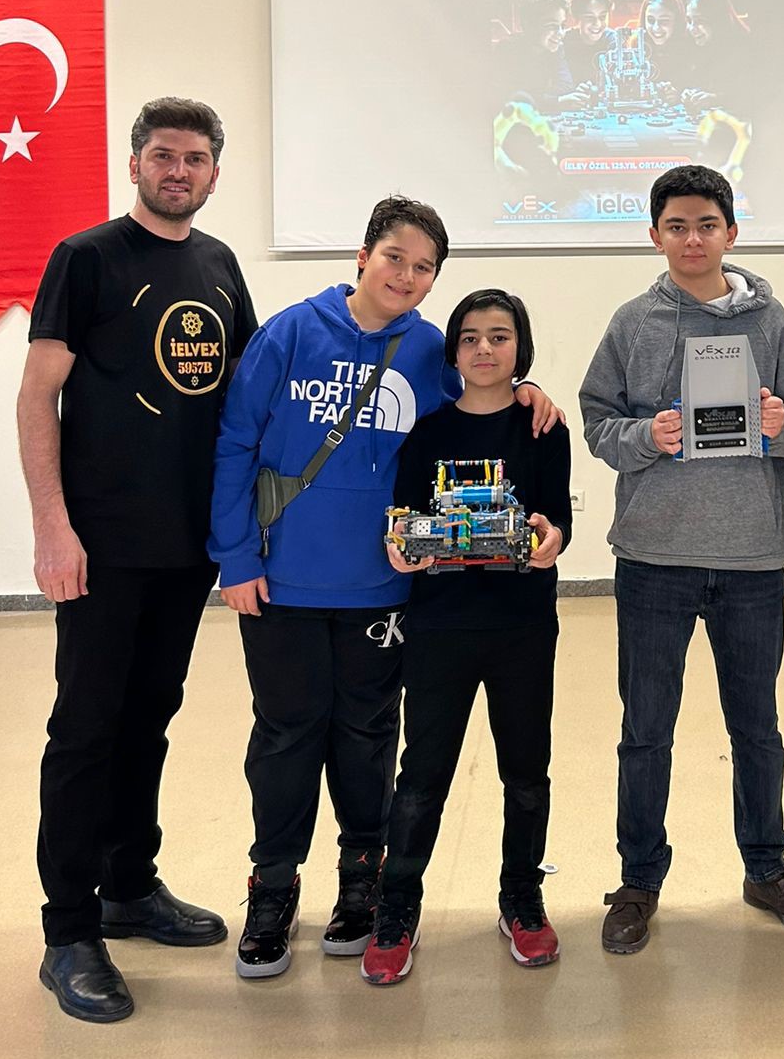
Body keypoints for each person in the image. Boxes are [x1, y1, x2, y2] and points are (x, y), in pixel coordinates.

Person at [207, 199, 561, 981]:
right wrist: (235, 559)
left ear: (434, 280)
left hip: (384, 588)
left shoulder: (429, 348)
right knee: (287, 734)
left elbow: (480, 398)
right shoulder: (288, 334)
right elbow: (233, 442)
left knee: (368, 736)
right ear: (363, 256)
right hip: (283, 580)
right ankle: (273, 885)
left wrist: (531, 389)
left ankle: (362, 879)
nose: (406, 275)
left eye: (423, 267)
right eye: (395, 257)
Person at [18, 96, 256, 1023]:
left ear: (214, 173)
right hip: (101, 545)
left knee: (149, 717)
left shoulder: (220, 265)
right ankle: (69, 931)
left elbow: (249, 392)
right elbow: (37, 396)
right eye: (163, 155)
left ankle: (128, 885)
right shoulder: (85, 258)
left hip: (186, 546)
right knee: (85, 729)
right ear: (135, 164)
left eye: (194, 159)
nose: (177, 171)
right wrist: (52, 526)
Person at [579, 163, 784, 954]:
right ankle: (638, 880)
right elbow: (597, 421)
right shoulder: (632, 322)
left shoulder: (770, 320)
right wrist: (644, 437)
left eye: (707, 225)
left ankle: (766, 868)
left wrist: (779, 423)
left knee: (757, 727)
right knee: (646, 730)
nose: (693, 239)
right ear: (654, 235)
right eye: (677, 226)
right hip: (655, 557)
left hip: (751, 557)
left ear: (732, 232)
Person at [361, 289, 571, 984]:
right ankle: (398, 905)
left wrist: (550, 539)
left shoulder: (544, 429)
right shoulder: (426, 434)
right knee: (422, 776)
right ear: (453, 351)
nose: (485, 349)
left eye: (500, 336)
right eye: (472, 337)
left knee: (526, 774)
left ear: (520, 347)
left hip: (521, 627)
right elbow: (404, 521)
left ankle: (522, 899)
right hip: (440, 627)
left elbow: (558, 520)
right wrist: (402, 549)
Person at [493, 0, 586, 113]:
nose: (560, 33)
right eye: (551, 26)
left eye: (562, 26)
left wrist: (543, 99)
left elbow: (566, 86)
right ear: (528, 25)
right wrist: (556, 101)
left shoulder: (556, 49)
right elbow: (511, 99)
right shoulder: (507, 50)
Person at [563, 0, 620, 90]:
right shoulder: (564, 41)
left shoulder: (614, 40)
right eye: (589, 17)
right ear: (577, 16)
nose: (597, 24)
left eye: (602, 17)